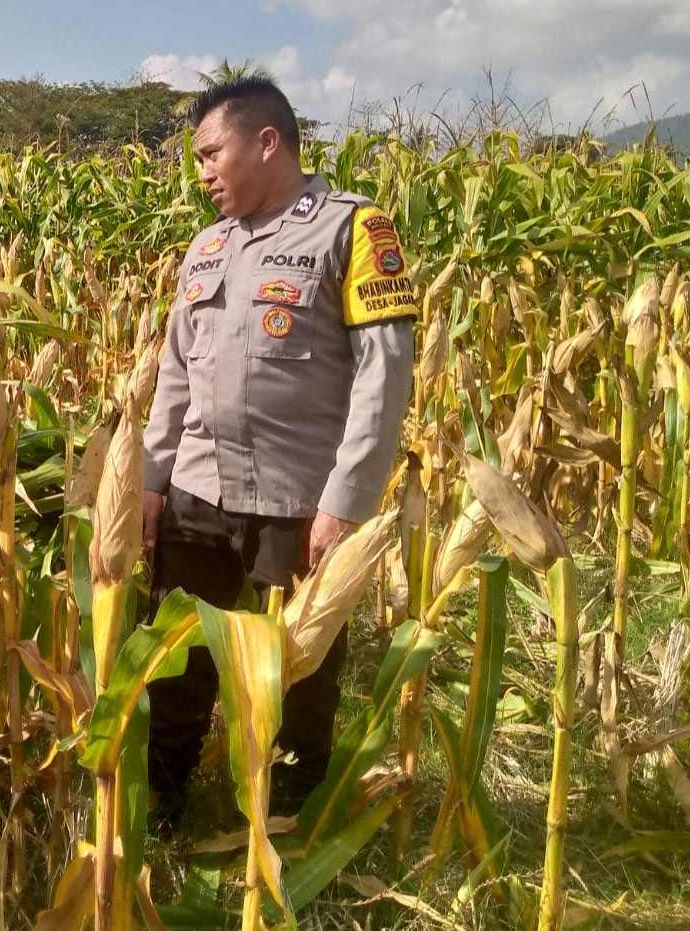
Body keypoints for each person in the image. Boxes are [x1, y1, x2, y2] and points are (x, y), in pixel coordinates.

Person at [139, 76, 417, 824]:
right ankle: (164, 798)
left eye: (211, 153)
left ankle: (292, 813)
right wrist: (150, 481)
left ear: (267, 141)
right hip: (197, 492)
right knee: (176, 656)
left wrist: (345, 502)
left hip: (298, 502)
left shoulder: (353, 230)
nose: (202, 172)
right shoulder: (206, 247)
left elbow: (384, 377)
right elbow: (174, 373)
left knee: (302, 668)